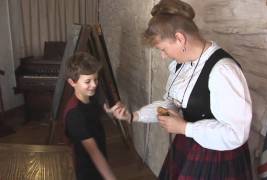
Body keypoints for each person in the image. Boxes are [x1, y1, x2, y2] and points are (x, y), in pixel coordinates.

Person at [107, 0, 253, 179]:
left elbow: (236, 134)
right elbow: (171, 106)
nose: (162, 56)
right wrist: (134, 116)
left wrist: (185, 128)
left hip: (218, 157)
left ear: (180, 38)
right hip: (188, 143)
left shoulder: (223, 71)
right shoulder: (180, 65)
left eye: (163, 49)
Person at [64, 52, 116, 180]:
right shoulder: (75, 114)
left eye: (95, 79)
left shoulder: (90, 96)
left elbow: (99, 105)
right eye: (88, 81)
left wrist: (109, 110)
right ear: (72, 82)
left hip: (97, 157)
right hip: (85, 168)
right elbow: (94, 152)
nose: (94, 85)